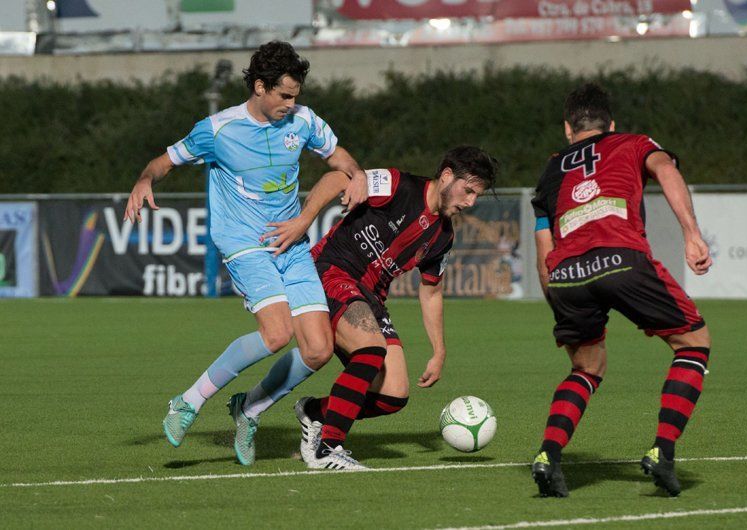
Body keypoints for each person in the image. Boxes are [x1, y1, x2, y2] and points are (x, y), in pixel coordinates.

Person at [123, 41, 368, 466]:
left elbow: (338, 157)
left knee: (317, 350)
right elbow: (164, 162)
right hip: (243, 242)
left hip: (291, 243)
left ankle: (249, 409)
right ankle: (188, 401)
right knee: (276, 334)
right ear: (259, 87)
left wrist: (357, 172)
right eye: (284, 96)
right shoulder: (217, 130)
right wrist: (145, 181)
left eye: (296, 96)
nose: (292, 105)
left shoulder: (304, 120)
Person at [233, 146, 499, 470]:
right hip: (331, 270)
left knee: (393, 395)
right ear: (446, 176)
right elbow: (337, 178)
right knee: (371, 350)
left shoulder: (443, 236)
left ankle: (315, 414)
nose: (470, 202)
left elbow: (431, 291)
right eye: (468, 190)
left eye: (477, 196)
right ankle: (327, 448)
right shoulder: (398, 185)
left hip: (371, 297)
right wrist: (304, 221)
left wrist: (439, 350)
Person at [529, 83, 712, 497]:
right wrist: (692, 234)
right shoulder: (633, 142)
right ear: (610, 124)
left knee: (586, 368)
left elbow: (544, 249)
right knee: (694, 343)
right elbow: (667, 169)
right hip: (621, 259)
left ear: (567, 128)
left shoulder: (551, 169)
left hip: (566, 275)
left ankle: (548, 455)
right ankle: (662, 451)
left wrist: (557, 301)